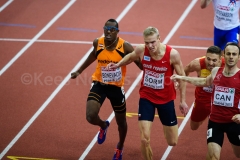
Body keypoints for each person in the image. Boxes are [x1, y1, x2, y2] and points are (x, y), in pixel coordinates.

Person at [106, 26, 189, 160]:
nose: (150, 46)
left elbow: (183, 77)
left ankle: (166, 125)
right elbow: (130, 57)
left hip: (166, 99)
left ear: (159, 39)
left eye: (152, 42)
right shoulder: (141, 50)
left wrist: (182, 101)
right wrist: (118, 64)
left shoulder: (172, 54)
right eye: (147, 42)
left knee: (172, 141)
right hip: (146, 97)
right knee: (144, 139)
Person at [71, 18, 142, 160]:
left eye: (112, 30)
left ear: (117, 32)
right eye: (106, 29)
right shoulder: (98, 42)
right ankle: (104, 125)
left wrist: (153, 71)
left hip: (116, 88)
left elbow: (139, 63)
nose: (109, 32)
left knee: (121, 122)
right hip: (99, 84)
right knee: (90, 116)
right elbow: (93, 55)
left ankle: (120, 147)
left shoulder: (125, 47)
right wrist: (79, 70)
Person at [171, 42, 240, 159]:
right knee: (213, 156)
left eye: (234, 54)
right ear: (224, 55)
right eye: (228, 54)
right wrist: (182, 77)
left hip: (234, 123)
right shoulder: (216, 71)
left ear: (238, 57)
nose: (231, 57)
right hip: (215, 122)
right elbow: (203, 82)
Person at [184, 45, 225, 130]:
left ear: (220, 59)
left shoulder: (227, 66)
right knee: (194, 127)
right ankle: (205, 115)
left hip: (219, 101)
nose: (210, 63)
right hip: (202, 100)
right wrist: (180, 81)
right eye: (208, 59)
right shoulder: (197, 64)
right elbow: (185, 71)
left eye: (214, 60)